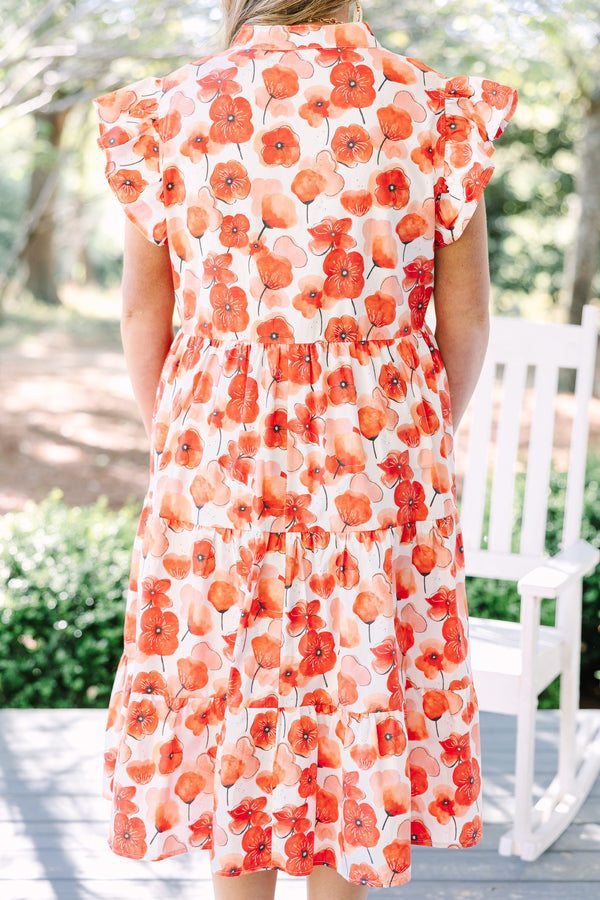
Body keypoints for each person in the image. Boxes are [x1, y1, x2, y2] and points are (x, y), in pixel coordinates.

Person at [93, 1, 517, 897]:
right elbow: (467, 317)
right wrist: (420, 429)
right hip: (380, 444)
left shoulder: (170, 110)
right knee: (352, 684)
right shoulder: (432, 109)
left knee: (232, 676)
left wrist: (176, 434)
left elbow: (143, 312)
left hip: (218, 443)